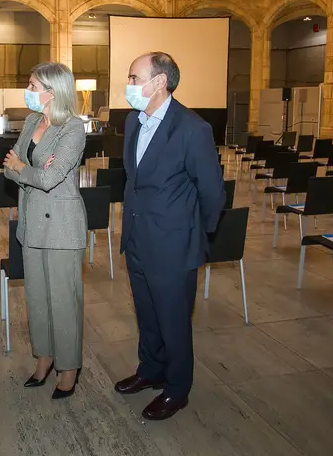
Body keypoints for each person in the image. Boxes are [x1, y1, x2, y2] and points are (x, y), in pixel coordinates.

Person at [114, 52, 225, 421]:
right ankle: (151, 370)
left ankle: (177, 389)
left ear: (159, 82)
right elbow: (135, 180)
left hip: (174, 245)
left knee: (174, 321)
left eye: (134, 78)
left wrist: (193, 235)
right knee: (147, 315)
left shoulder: (192, 128)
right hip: (138, 238)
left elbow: (212, 192)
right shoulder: (133, 121)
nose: (128, 86)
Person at [2, 62, 88, 399]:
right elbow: (9, 167)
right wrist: (25, 168)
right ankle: (45, 358)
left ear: (52, 91)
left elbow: (51, 179)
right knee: (37, 298)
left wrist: (22, 167)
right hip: (31, 223)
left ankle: (68, 368)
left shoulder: (73, 129)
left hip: (63, 227)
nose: (28, 89)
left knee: (64, 300)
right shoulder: (30, 121)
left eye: (33, 84)